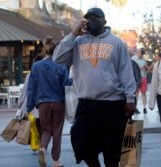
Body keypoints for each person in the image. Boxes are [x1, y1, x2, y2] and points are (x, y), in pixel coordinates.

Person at [52, 7, 136, 167]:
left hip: (112, 104)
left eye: (96, 19)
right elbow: (58, 59)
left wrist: (130, 98)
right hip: (86, 104)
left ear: (104, 21)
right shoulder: (77, 42)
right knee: (80, 141)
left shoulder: (116, 42)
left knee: (112, 151)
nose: (92, 22)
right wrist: (73, 34)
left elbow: (126, 72)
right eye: (88, 19)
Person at [27, 36, 71, 167]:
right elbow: (66, 84)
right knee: (57, 131)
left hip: (43, 103)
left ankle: (43, 149)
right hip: (58, 102)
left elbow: (31, 88)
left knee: (46, 130)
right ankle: (56, 161)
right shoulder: (61, 66)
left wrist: (29, 105)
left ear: (44, 50)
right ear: (56, 49)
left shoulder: (36, 66)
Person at [17, 54, 44, 138]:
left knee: (34, 126)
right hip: (44, 105)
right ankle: (42, 145)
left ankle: (37, 143)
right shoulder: (47, 75)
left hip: (31, 105)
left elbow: (25, 91)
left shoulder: (30, 75)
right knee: (43, 128)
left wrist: (20, 104)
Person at [132, 48, 149, 113]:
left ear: (142, 54)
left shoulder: (143, 59)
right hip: (136, 78)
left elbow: (147, 68)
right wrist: (140, 68)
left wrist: (147, 68)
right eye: (137, 51)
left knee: (143, 93)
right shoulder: (133, 58)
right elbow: (131, 67)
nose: (137, 53)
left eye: (138, 52)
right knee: (136, 93)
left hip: (143, 77)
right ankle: (135, 108)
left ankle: (144, 108)